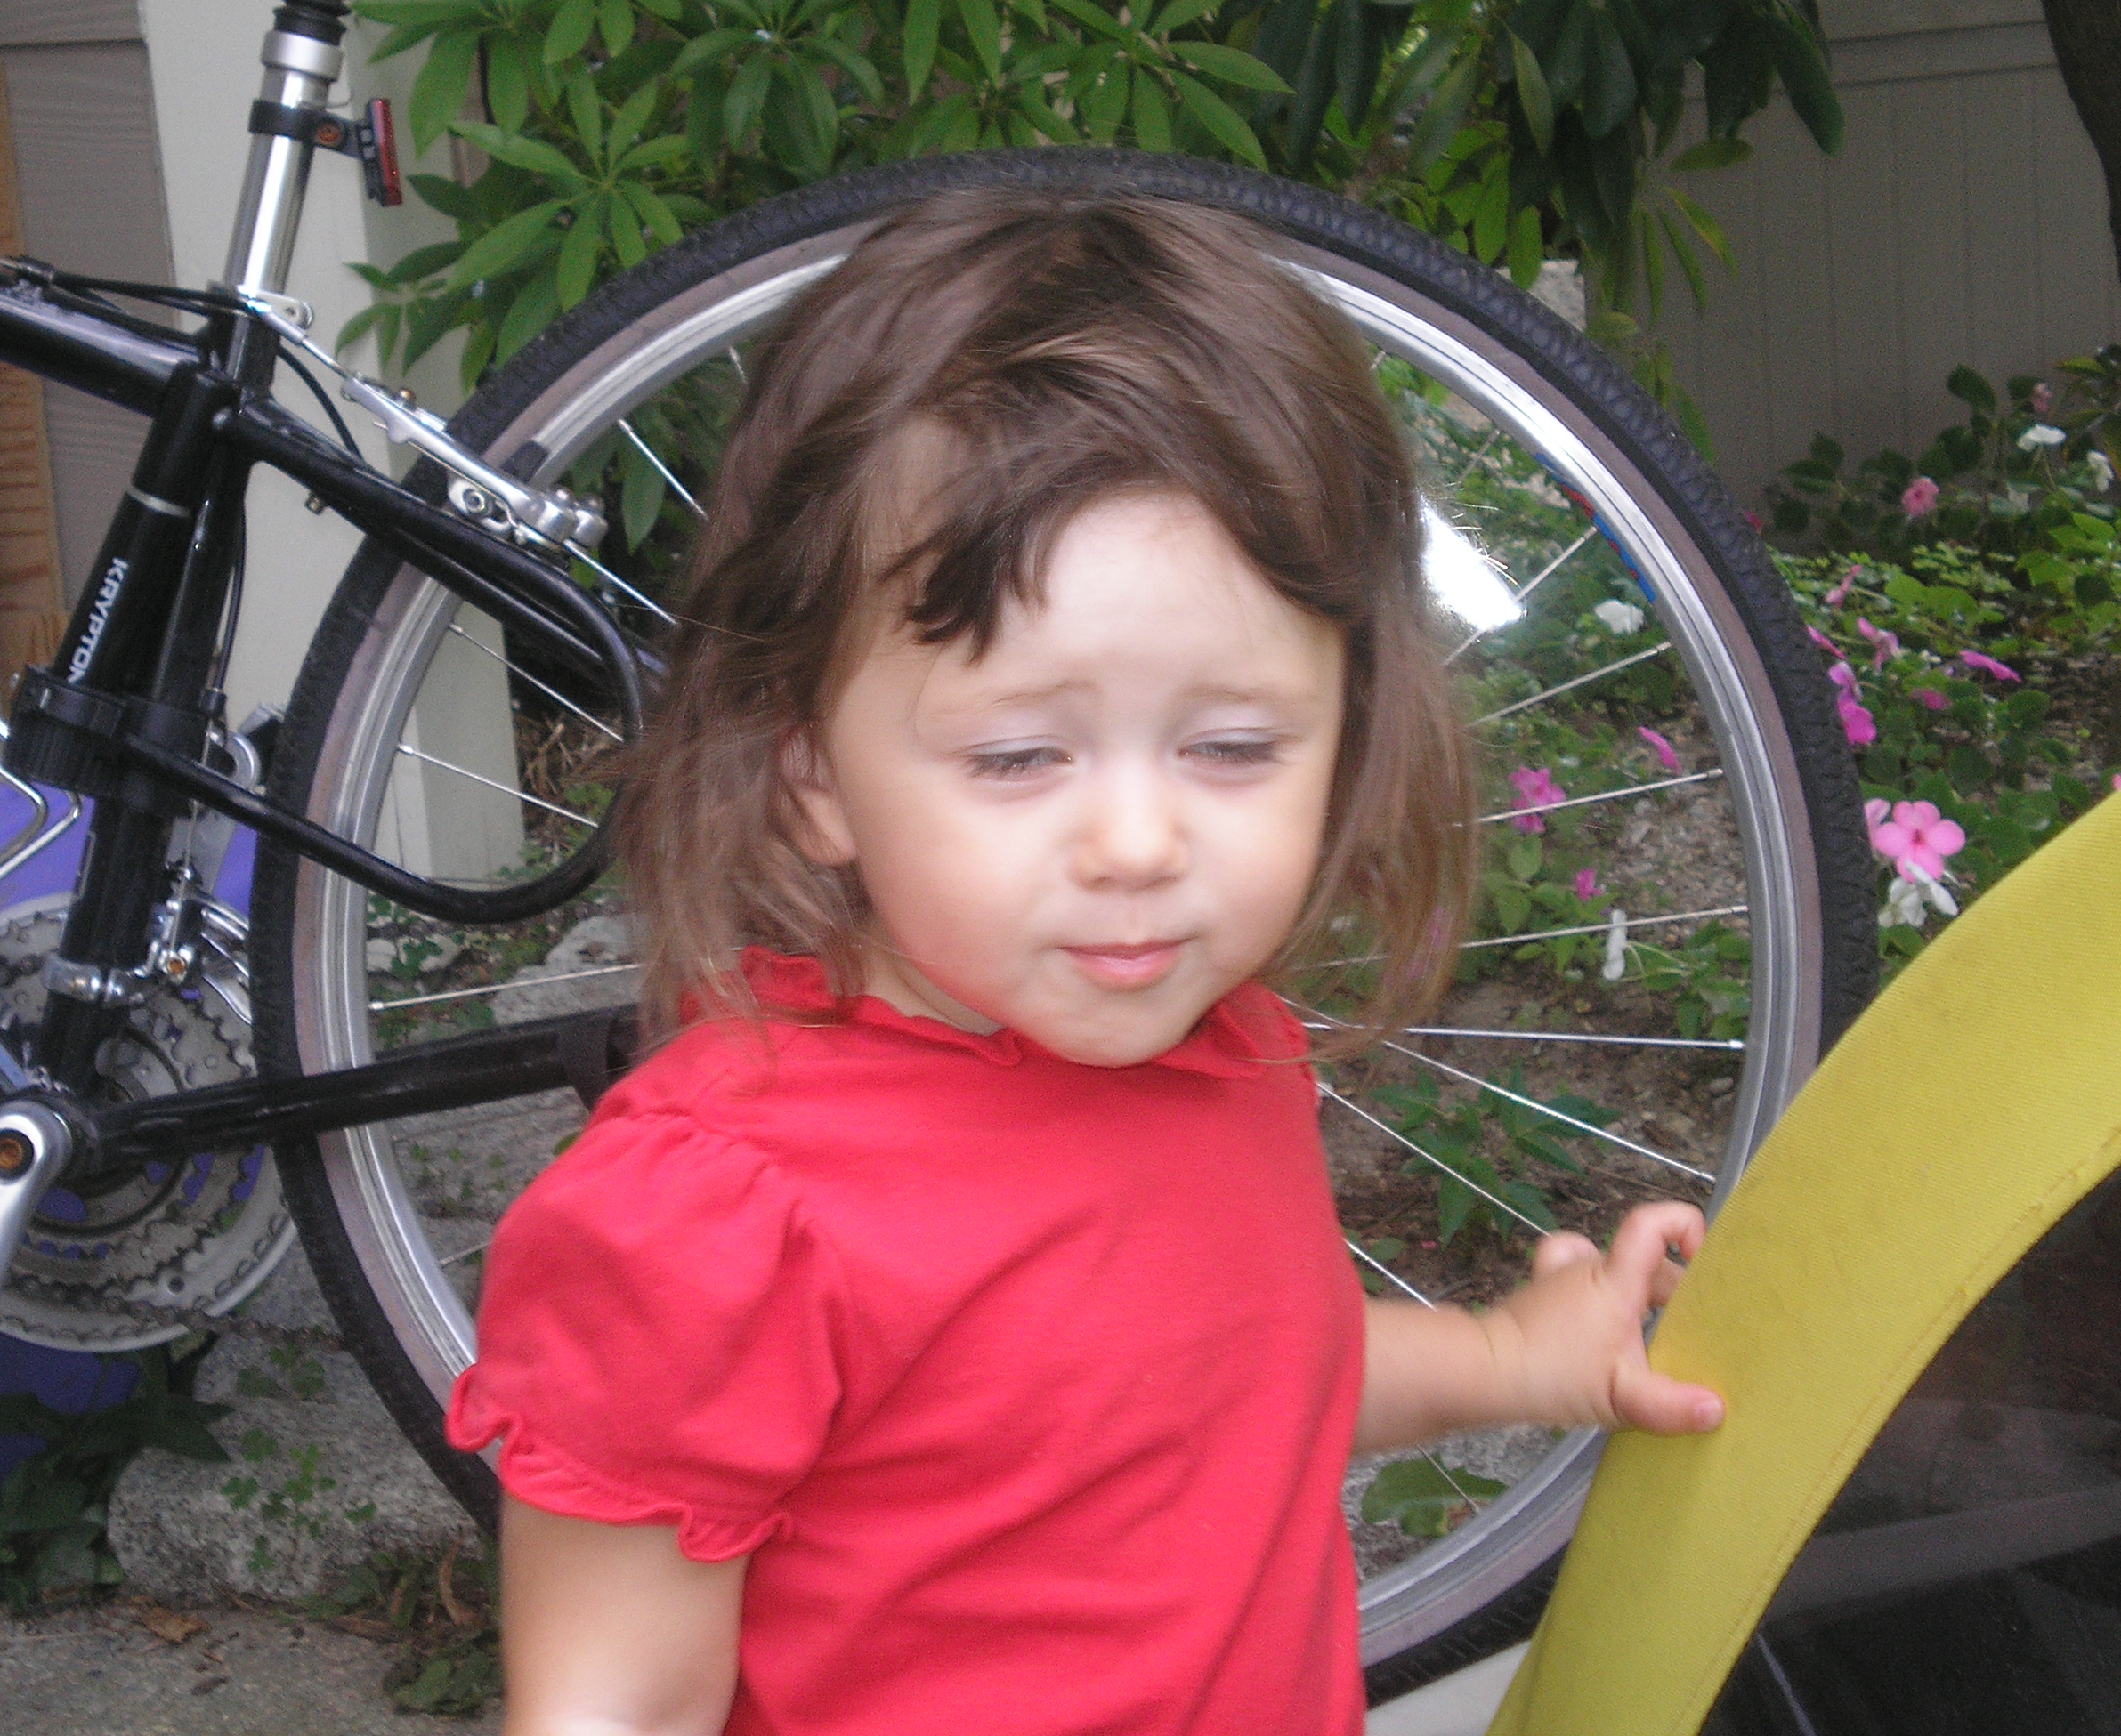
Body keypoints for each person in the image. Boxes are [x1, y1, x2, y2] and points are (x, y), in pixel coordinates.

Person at [448, 191, 1725, 1736]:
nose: (1136, 842)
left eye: (1232, 745)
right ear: (811, 773)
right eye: (1017, 756)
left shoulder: (1229, 1048)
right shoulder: (716, 1223)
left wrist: (1510, 1358)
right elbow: (610, 1706)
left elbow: (1234, 1389)